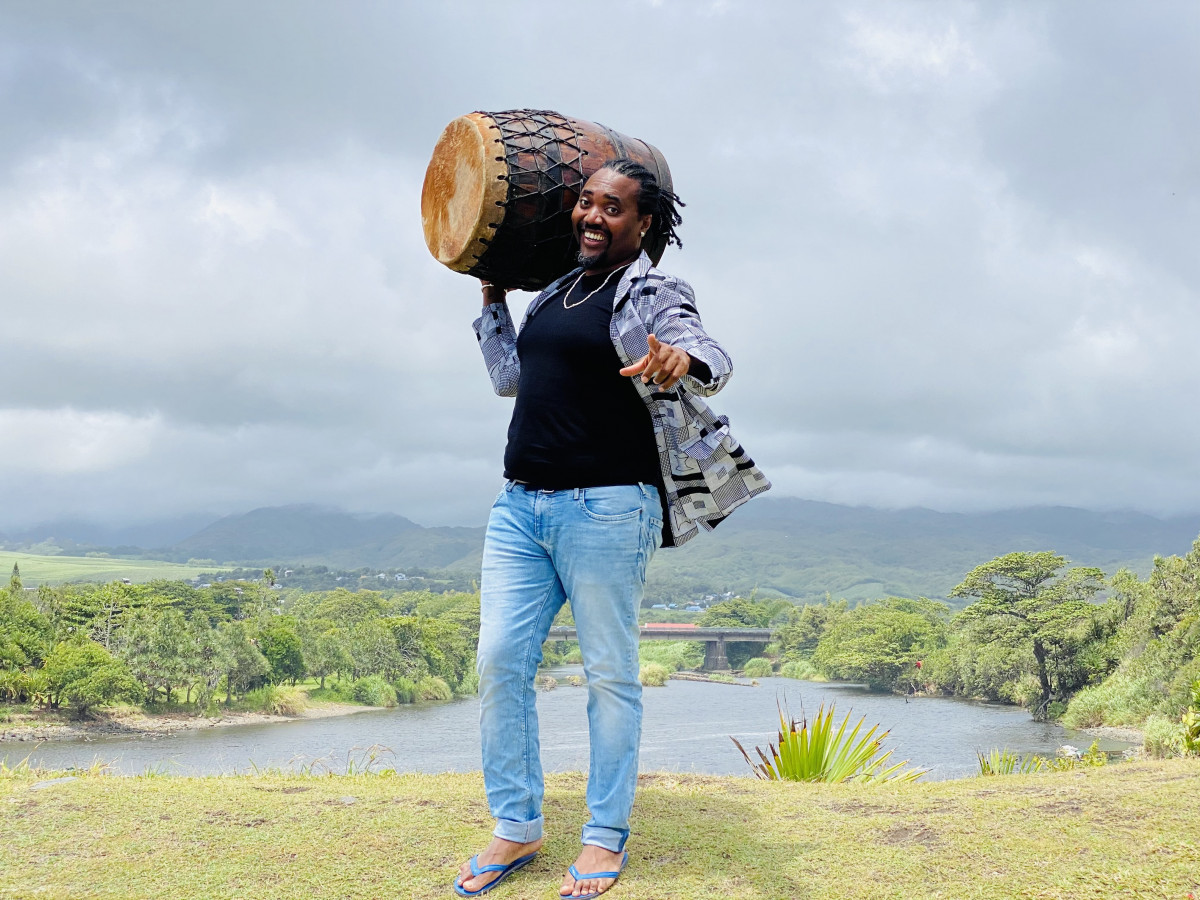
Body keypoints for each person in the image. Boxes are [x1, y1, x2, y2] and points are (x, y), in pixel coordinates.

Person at [455, 158, 770, 898]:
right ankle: (517, 825)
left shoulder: (652, 291)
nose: (593, 216)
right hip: (519, 508)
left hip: (606, 509)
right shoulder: (556, 291)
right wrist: (494, 299)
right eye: (587, 202)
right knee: (499, 661)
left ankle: (603, 837)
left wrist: (678, 359)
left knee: (609, 676)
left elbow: (711, 355)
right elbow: (509, 379)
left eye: (613, 207)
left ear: (643, 223)